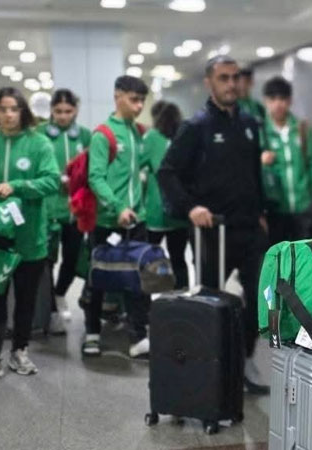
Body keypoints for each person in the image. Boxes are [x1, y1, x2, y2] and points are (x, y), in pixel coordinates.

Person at [158, 55, 269, 395]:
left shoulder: (249, 124)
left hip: (249, 229)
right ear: (209, 82)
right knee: (211, 302)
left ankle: (244, 360)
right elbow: (167, 173)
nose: (231, 84)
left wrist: (261, 211)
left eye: (235, 77)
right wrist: (191, 207)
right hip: (213, 232)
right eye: (223, 78)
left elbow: (254, 173)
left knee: (258, 299)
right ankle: (211, 369)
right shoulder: (196, 127)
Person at [0, 87, 60, 377]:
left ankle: (20, 350)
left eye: (14, 109)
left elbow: (52, 181)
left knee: (26, 300)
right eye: (2, 109)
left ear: (23, 111)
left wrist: (16, 186)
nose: (8, 115)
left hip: (29, 237)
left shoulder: (39, 144)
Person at [84, 75, 150, 358]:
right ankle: (92, 333)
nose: (139, 106)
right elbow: (95, 178)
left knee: (138, 279)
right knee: (98, 279)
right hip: (108, 223)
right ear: (118, 96)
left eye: (142, 101)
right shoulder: (103, 134)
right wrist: (117, 206)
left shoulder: (138, 132)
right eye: (134, 100)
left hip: (137, 221)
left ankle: (138, 336)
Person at [37, 89, 92, 334]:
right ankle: (51, 310)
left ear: (76, 110)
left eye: (68, 111)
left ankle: (60, 294)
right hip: (48, 209)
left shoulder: (86, 136)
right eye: (58, 111)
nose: (62, 116)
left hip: (75, 210)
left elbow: (93, 168)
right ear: (51, 110)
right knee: (47, 262)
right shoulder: (39, 135)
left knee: (72, 259)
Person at [260, 76, 312, 244]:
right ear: (266, 101)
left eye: (282, 99)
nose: (278, 104)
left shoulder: (302, 129)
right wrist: (262, 162)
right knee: (278, 253)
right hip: (275, 209)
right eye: (273, 99)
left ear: (290, 101)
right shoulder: (261, 132)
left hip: (304, 207)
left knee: (305, 252)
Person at [143, 101, 189, 290]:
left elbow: (137, 164)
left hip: (155, 211)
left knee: (147, 259)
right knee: (179, 259)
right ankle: (182, 297)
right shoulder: (185, 136)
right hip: (180, 211)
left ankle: (145, 299)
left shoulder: (151, 137)